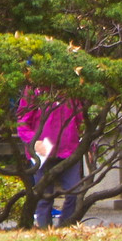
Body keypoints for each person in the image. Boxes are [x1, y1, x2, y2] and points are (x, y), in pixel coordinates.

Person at [17, 87, 82, 227]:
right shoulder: (34, 90)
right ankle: (44, 231)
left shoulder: (70, 88)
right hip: (42, 152)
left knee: (75, 192)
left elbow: (80, 120)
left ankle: (66, 228)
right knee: (43, 197)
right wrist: (33, 141)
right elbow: (22, 123)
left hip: (69, 149)